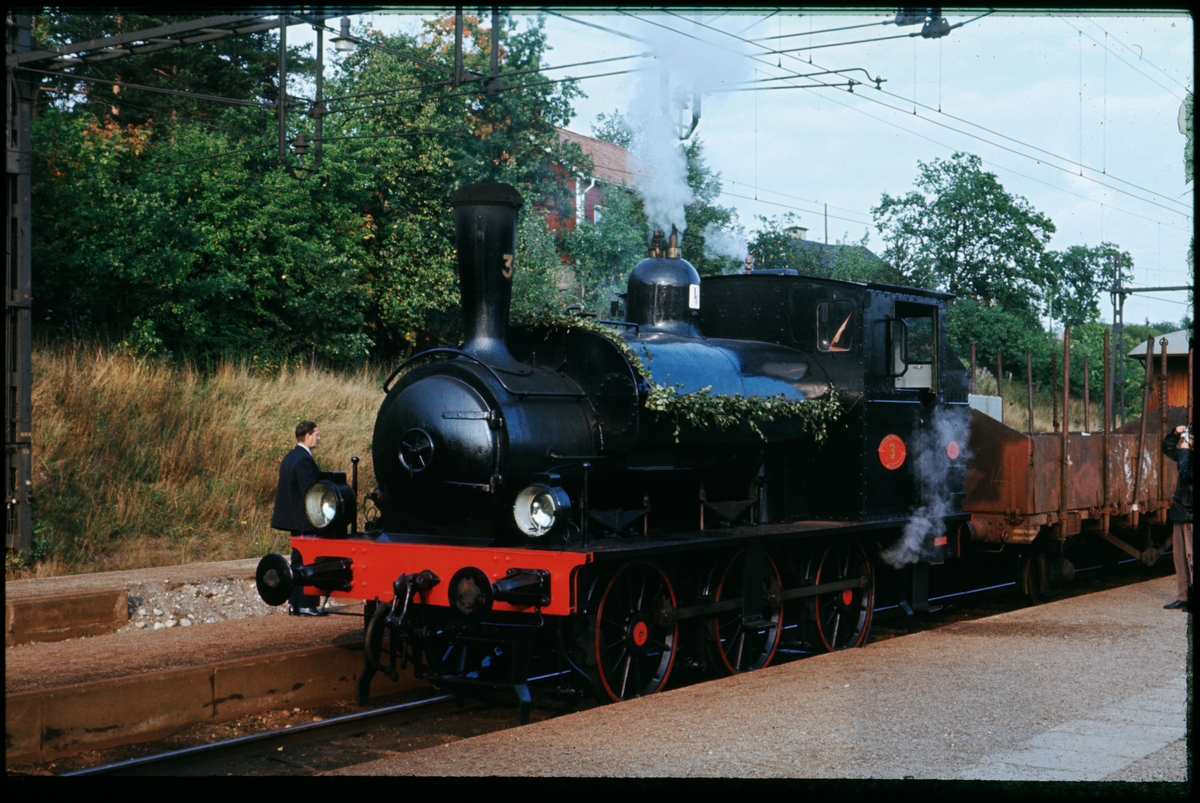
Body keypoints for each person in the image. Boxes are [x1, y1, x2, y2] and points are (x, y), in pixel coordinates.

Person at [271, 420, 326, 616]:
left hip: (294, 519)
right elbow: (309, 493)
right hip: (304, 520)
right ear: (307, 436)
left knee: (297, 562)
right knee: (308, 562)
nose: (319, 438)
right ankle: (306, 604)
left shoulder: (290, 457)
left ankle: (295, 604)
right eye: (316, 434)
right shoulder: (304, 459)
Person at [1162, 424, 1192, 611]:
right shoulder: (1187, 454)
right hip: (1182, 509)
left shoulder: (1187, 455)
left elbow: (1186, 473)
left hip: (1190, 512)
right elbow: (1168, 449)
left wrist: (1184, 451)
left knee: (1191, 557)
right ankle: (1183, 596)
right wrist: (1174, 433)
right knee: (1180, 557)